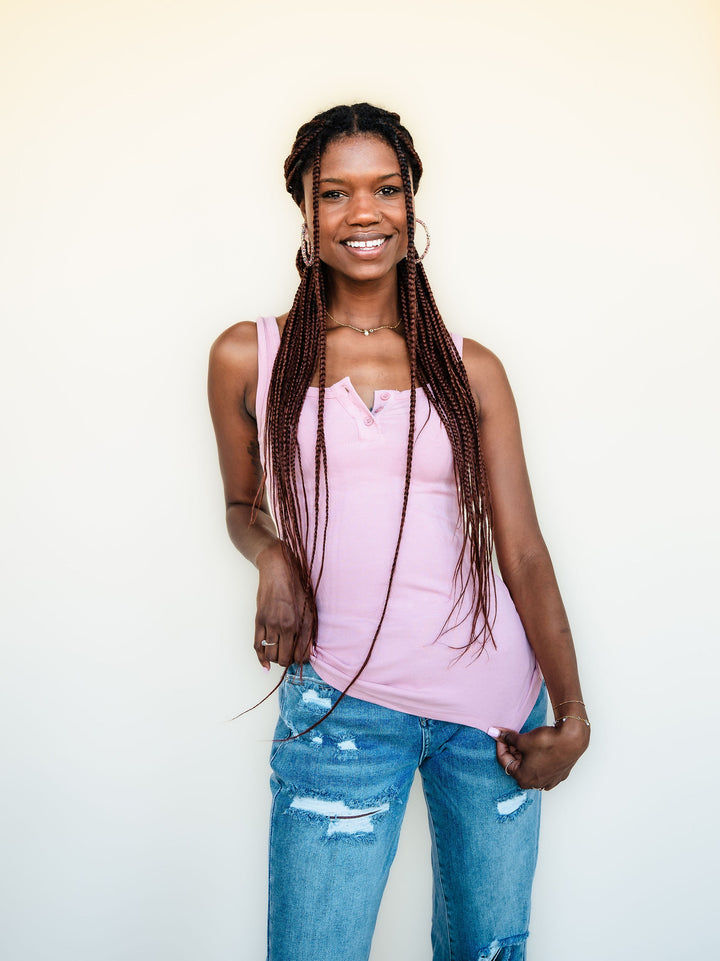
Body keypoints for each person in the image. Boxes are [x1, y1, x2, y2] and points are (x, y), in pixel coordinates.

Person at [207, 102, 589, 961]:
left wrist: (572, 711)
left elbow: (521, 551)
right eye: (335, 192)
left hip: (488, 714)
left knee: (488, 952)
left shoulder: (469, 366)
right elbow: (240, 504)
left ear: (413, 205)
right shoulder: (250, 354)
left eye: (386, 188)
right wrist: (270, 553)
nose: (364, 212)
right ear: (305, 212)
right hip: (340, 705)